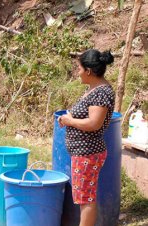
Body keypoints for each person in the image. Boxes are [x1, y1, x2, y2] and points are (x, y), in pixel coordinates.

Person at [58, 49, 115, 226]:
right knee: (84, 196)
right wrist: (69, 119)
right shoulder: (95, 89)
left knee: (86, 199)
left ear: (89, 71)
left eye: (79, 69)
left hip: (88, 154)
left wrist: (70, 120)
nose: (78, 73)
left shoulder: (101, 93)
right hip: (83, 153)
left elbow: (93, 124)